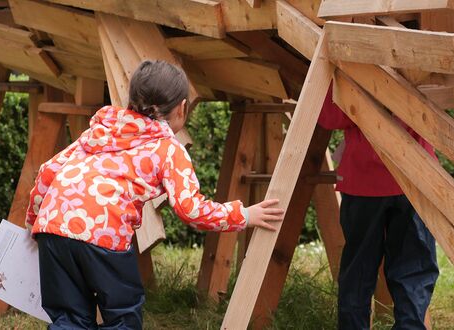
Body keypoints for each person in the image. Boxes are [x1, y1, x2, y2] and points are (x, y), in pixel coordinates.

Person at [25, 60, 285, 329]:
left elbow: (47, 172)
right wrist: (243, 214)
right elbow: (191, 210)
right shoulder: (167, 148)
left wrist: (34, 222)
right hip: (102, 233)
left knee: (69, 318)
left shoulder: (100, 132)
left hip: (52, 228)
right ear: (182, 108)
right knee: (122, 314)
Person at [318, 85, 439, 330]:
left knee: (358, 273)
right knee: (414, 272)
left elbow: (329, 118)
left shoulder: (348, 59)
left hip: (364, 183)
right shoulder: (424, 54)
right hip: (414, 179)